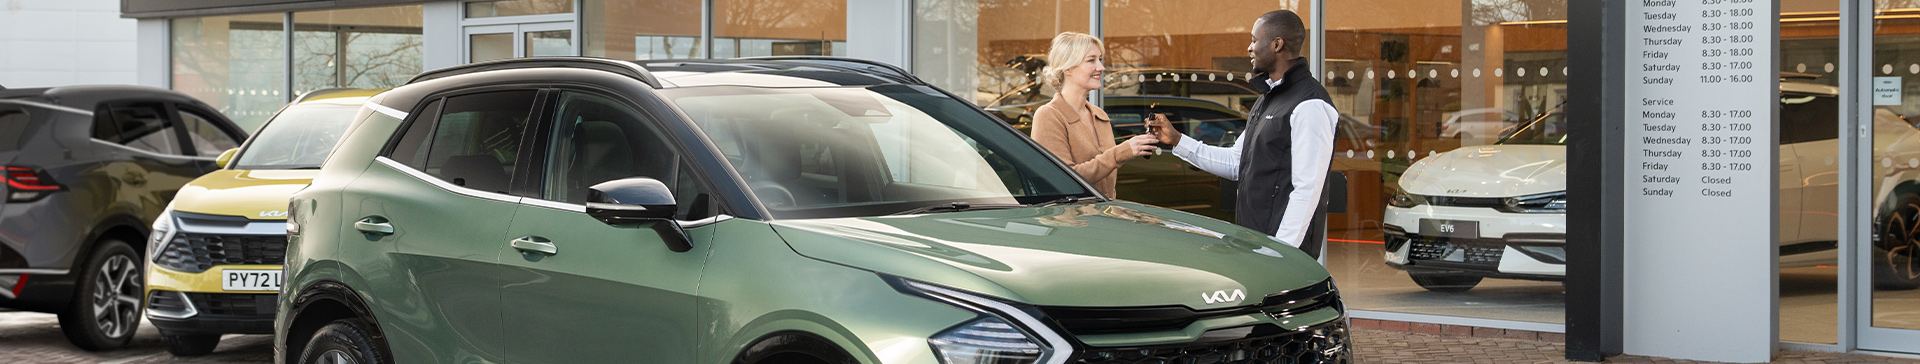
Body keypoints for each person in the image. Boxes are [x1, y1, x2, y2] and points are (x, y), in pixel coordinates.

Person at [1147, 9, 1338, 259]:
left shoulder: (1310, 103)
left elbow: (1307, 190)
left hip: (1281, 256)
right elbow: (1237, 162)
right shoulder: (1266, 100)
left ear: (1277, 44)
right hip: (1254, 245)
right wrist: (1176, 140)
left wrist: (1281, 254)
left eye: (1254, 40)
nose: (1249, 48)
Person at [1030, 32, 1162, 198]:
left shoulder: (1099, 115)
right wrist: (1123, 151)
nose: (1101, 67)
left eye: (1099, 59)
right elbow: (1063, 179)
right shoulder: (1049, 116)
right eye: (1091, 60)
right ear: (1068, 67)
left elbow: (1106, 177)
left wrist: (1136, 146)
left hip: (1104, 217)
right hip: (1071, 220)